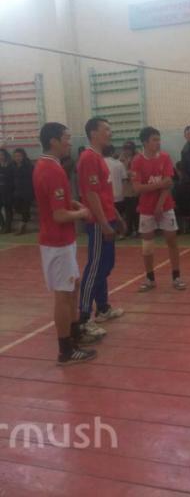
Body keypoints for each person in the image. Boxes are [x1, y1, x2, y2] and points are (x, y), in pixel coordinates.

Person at [33, 123, 97, 365]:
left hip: (60, 241)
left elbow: (55, 201)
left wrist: (74, 204)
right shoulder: (52, 170)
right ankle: (66, 350)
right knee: (63, 293)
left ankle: (74, 334)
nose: (70, 142)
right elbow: (59, 215)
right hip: (57, 242)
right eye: (66, 138)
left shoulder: (46, 165)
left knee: (73, 286)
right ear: (53, 141)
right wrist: (82, 213)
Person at [77, 118, 126, 337]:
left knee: (106, 265)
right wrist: (104, 223)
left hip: (108, 218)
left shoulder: (99, 158)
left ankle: (103, 308)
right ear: (93, 133)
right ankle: (84, 318)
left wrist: (117, 217)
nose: (110, 133)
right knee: (95, 267)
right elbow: (91, 195)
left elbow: (104, 194)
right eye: (106, 129)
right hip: (98, 223)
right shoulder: (88, 158)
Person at [131, 126, 186, 291]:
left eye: (159, 139)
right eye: (154, 140)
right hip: (146, 208)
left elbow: (169, 184)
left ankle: (176, 277)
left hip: (166, 206)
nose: (158, 142)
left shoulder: (165, 157)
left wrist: (160, 205)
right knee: (147, 245)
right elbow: (137, 188)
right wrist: (160, 184)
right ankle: (150, 279)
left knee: (172, 240)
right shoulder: (137, 161)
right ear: (145, 142)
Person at [104, 145, 128, 236]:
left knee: (108, 216)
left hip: (106, 196)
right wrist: (123, 193)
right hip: (118, 195)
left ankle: (110, 232)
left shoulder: (100, 162)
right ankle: (121, 233)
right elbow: (124, 179)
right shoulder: (119, 163)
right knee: (119, 215)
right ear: (112, 152)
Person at [12, 148, 34, 235]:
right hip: (17, 191)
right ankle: (26, 217)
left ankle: (22, 227)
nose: (17, 158)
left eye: (19, 156)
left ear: (23, 156)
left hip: (27, 191)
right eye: (15, 156)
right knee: (17, 207)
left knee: (25, 209)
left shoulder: (28, 166)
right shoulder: (12, 166)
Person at [120, 141, 139, 238]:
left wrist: (128, 173)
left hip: (135, 189)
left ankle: (138, 229)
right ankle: (129, 229)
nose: (127, 151)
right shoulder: (122, 158)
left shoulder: (137, 157)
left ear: (133, 149)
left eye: (129, 149)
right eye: (125, 149)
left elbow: (136, 172)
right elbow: (121, 171)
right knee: (128, 212)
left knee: (136, 211)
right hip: (126, 189)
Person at [0, 148, 14, 234]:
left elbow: (11, 178)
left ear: (5, 155)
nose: (1, 156)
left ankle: (8, 227)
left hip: (8, 190)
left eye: (2, 155)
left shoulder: (10, 165)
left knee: (8, 209)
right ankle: (3, 225)